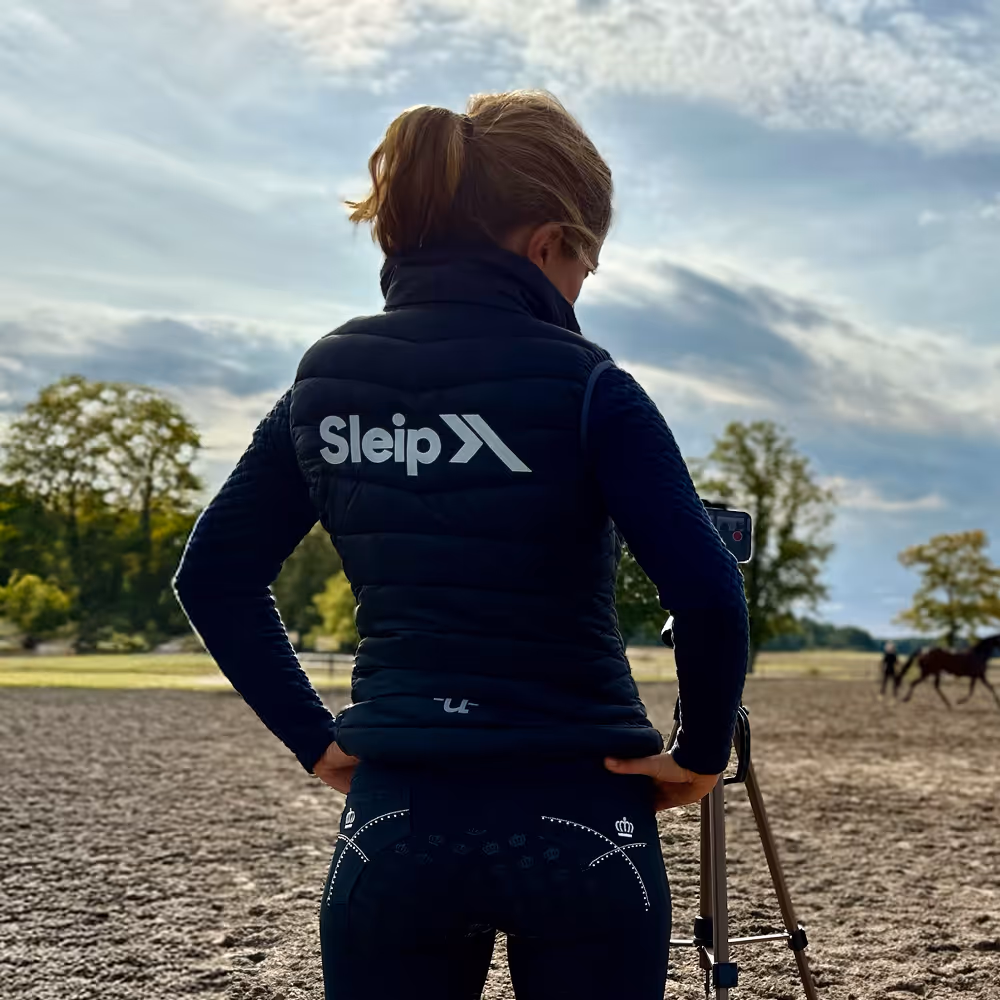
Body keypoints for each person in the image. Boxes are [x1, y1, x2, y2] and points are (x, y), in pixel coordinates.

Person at [174, 90, 749, 1000]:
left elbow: (211, 575)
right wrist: (699, 754)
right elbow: (711, 596)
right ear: (548, 244)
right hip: (584, 818)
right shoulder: (591, 384)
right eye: (586, 270)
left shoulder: (324, 382)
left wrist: (314, 740)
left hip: (398, 819)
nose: (578, 295)